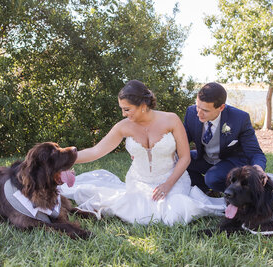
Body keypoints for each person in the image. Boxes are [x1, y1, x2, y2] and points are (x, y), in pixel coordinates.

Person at [60, 80, 225, 226]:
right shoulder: (123, 126)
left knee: (173, 217)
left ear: (143, 106)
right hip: (139, 181)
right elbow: (96, 151)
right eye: (122, 109)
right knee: (142, 216)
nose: (124, 114)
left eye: (127, 109)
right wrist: (65, 160)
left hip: (172, 179)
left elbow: (185, 157)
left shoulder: (171, 119)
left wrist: (168, 184)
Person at [183, 82, 266, 195]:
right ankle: (206, 191)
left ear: (221, 107)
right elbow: (181, 142)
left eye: (206, 111)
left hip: (230, 162)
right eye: (198, 107)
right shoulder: (191, 112)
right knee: (179, 161)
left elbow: (255, 152)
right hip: (205, 159)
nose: (199, 114)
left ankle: (235, 193)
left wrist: (258, 168)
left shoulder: (240, 118)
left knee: (211, 178)